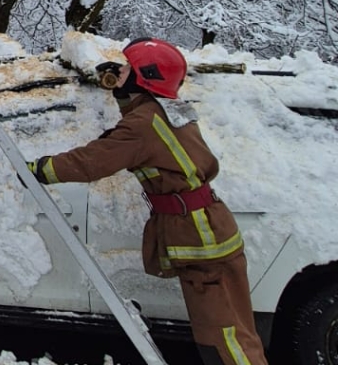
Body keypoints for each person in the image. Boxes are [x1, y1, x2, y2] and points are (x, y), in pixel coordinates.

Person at [26, 37, 268, 365]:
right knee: (236, 332)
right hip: (212, 229)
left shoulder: (143, 126)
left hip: (201, 238)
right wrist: (124, 89)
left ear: (145, 77)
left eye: (127, 69)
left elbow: (94, 160)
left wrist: (41, 169)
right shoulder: (170, 109)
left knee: (223, 338)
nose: (119, 72)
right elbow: (141, 125)